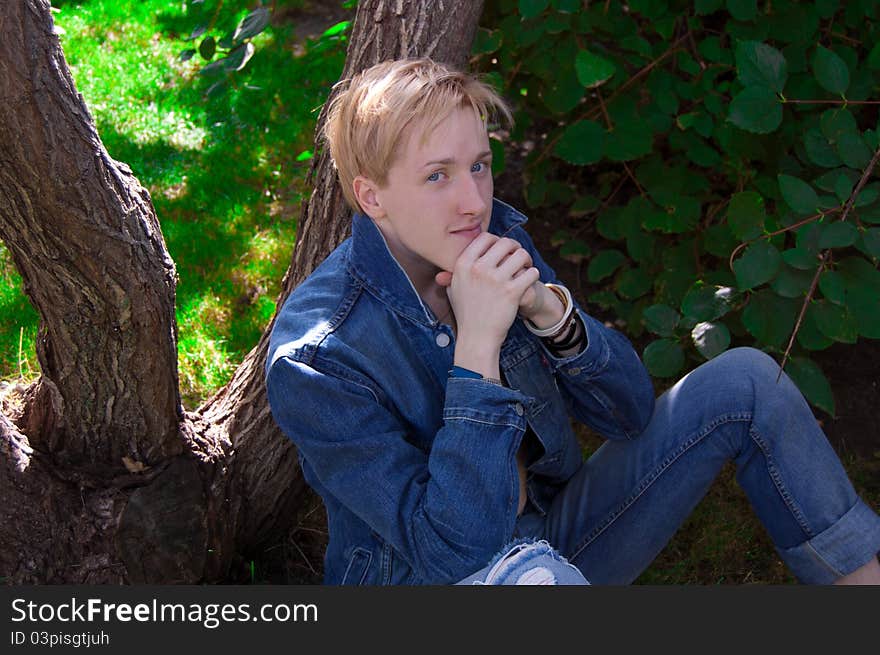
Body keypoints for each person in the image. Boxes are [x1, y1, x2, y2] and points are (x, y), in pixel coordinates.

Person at [265, 58, 880, 585]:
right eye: (437, 176)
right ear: (372, 197)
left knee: (746, 382)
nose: (475, 200)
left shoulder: (491, 238)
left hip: (553, 535)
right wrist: (477, 348)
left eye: (479, 165)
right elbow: (450, 550)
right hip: (445, 576)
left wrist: (551, 316)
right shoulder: (318, 357)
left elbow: (629, 413)